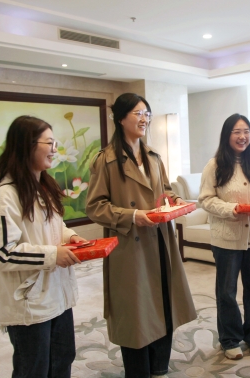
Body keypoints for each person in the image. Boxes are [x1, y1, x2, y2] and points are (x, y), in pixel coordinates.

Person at [85, 93, 196, 378]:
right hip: (129, 247)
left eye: (147, 113)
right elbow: (95, 207)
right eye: (138, 113)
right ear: (120, 118)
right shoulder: (106, 160)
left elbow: (164, 191)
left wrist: (175, 200)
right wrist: (133, 215)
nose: (144, 118)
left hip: (160, 241)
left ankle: (159, 366)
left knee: (165, 303)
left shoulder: (153, 156)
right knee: (135, 313)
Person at [0, 115, 86, 378]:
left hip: (57, 294)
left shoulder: (43, 187)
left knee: (62, 360)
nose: (54, 149)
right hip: (29, 301)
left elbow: (54, 226)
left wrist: (71, 237)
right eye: (49, 143)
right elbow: (0, 253)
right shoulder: (4, 196)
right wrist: (53, 255)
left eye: (55, 143)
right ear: (26, 145)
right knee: (34, 369)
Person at [198, 113, 250, 360]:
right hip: (227, 238)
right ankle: (230, 339)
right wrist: (231, 209)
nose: (243, 137)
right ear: (227, 135)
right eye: (237, 132)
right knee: (226, 292)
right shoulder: (214, 165)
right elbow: (206, 199)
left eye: (247, 132)